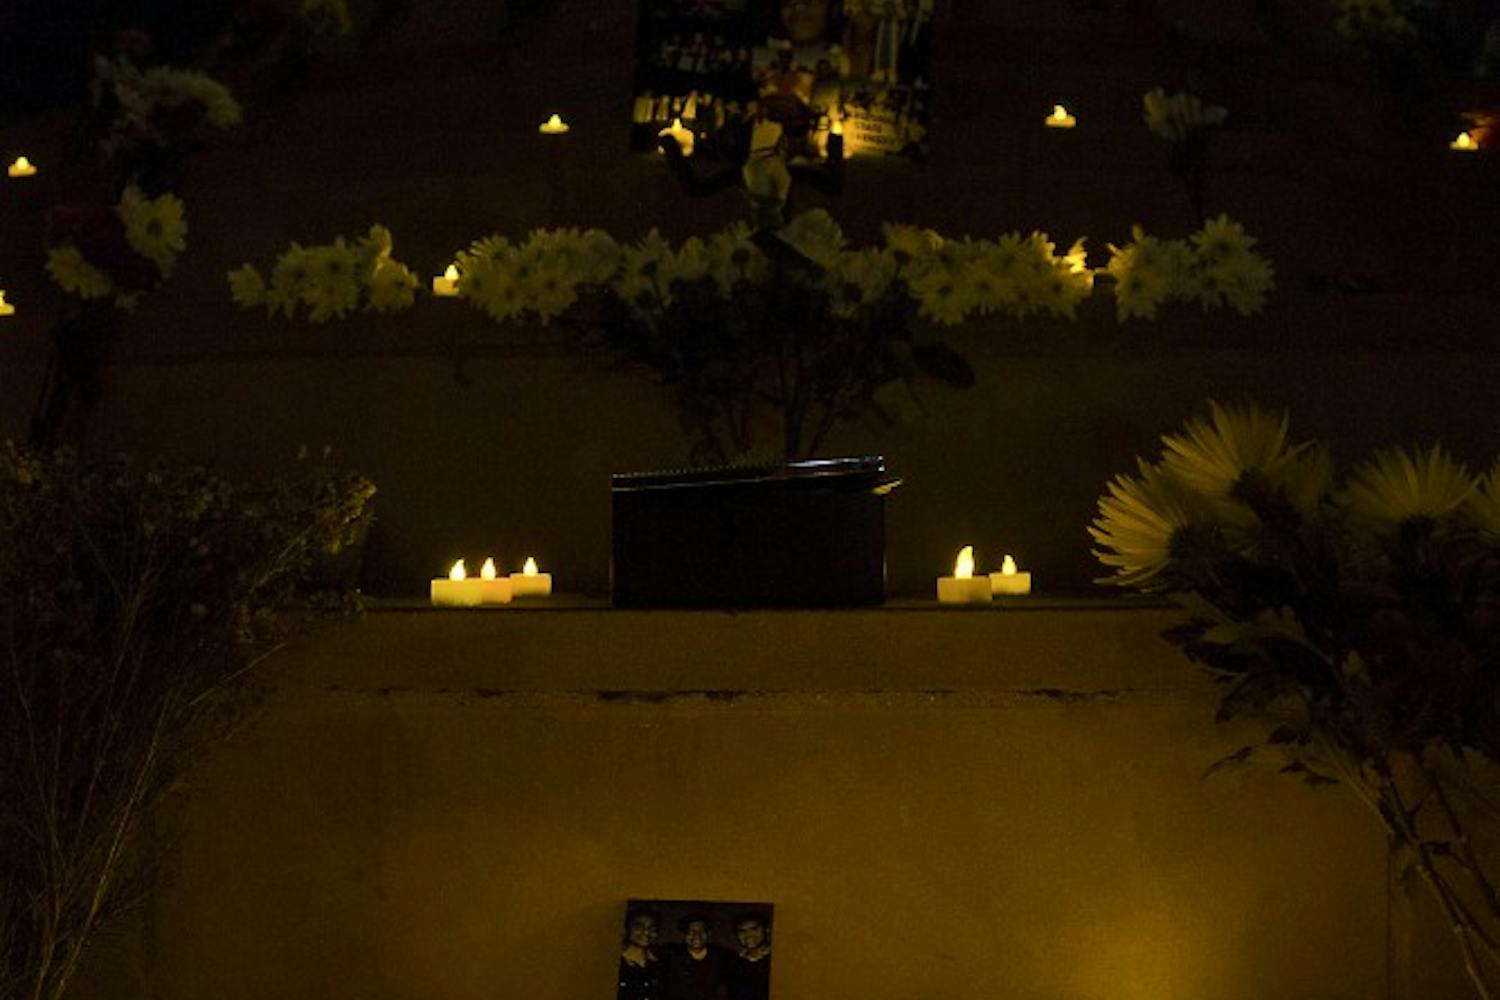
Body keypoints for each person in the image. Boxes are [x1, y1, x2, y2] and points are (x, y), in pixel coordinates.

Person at [661, 912, 732, 1000]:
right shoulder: (671, 954)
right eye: (691, 931)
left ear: (709, 934)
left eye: (701, 931)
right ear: (684, 935)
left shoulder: (722, 956)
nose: (696, 935)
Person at [619, 908, 664, 1000]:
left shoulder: (660, 965)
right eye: (639, 927)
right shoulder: (615, 963)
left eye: (652, 928)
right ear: (627, 929)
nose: (646, 932)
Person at [724, 913, 771, 1000]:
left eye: (754, 929)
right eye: (742, 931)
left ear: (766, 930)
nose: (749, 935)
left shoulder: (777, 959)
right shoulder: (733, 962)